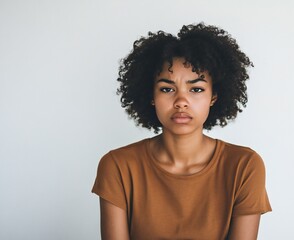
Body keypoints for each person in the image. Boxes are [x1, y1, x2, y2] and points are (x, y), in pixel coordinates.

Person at [92, 23, 272, 240]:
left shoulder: (244, 166)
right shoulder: (118, 166)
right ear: (151, 95)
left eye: (196, 89)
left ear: (214, 96)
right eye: (167, 89)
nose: (181, 102)